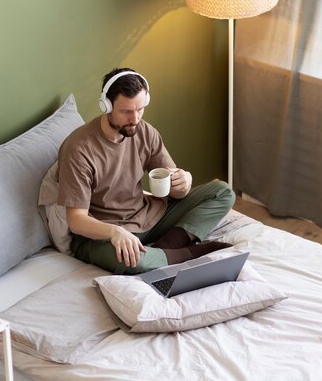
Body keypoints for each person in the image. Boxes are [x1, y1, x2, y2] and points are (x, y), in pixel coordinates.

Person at [57, 67, 235, 274]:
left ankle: (161, 249)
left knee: (222, 192)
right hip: (103, 234)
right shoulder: (78, 149)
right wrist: (115, 232)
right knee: (133, 262)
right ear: (106, 106)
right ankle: (189, 253)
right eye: (126, 111)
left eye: (140, 109)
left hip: (147, 217)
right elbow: (76, 220)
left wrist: (184, 182)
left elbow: (173, 189)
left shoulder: (145, 131)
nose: (135, 119)